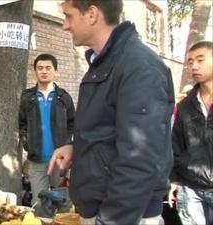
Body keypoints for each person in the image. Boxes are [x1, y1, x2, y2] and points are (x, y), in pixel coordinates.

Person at [47, 1, 175, 224]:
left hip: (124, 213)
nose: (65, 26)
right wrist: (79, 147)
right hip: (101, 205)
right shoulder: (106, 61)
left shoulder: (139, 66)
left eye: (69, 16)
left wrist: (112, 220)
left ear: (92, 14)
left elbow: (139, 158)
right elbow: (109, 130)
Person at [18, 53, 75, 211]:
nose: (44, 71)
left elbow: (73, 123)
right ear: (35, 71)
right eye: (40, 68)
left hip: (59, 161)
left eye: (48, 68)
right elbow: (21, 123)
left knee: (63, 204)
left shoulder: (64, 97)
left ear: (55, 71)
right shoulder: (27, 97)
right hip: (37, 160)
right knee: (39, 206)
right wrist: (26, 143)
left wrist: (67, 144)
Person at [168, 41, 213, 225]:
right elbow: (175, 144)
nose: (194, 66)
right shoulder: (185, 106)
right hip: (191, 189)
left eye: (200, 60)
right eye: (190, 61)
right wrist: (174, 180)